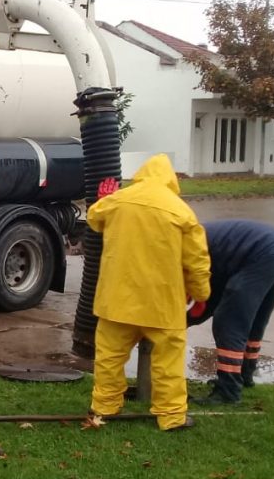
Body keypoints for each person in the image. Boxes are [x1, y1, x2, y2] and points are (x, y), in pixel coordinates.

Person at [87, 154, 211, 431]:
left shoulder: (118, 201)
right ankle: (171, 417)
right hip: (162, 303)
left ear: (142, 173)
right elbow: (197, 261)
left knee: (109, 358)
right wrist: (201, 294)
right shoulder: (181, 211)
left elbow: (94, 219)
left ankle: (104, 408)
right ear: (171, 180)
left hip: (116, 300)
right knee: (168, 362)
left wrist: (103, 199)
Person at [188, 220, 274, 404]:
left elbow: (204, 296)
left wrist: (178, 321)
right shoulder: (197, 239)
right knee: (254, 321)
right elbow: (210, 300)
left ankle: (228, 392)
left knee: (229, 322)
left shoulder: (189, 249)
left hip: (260, 253)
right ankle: (244, 374)